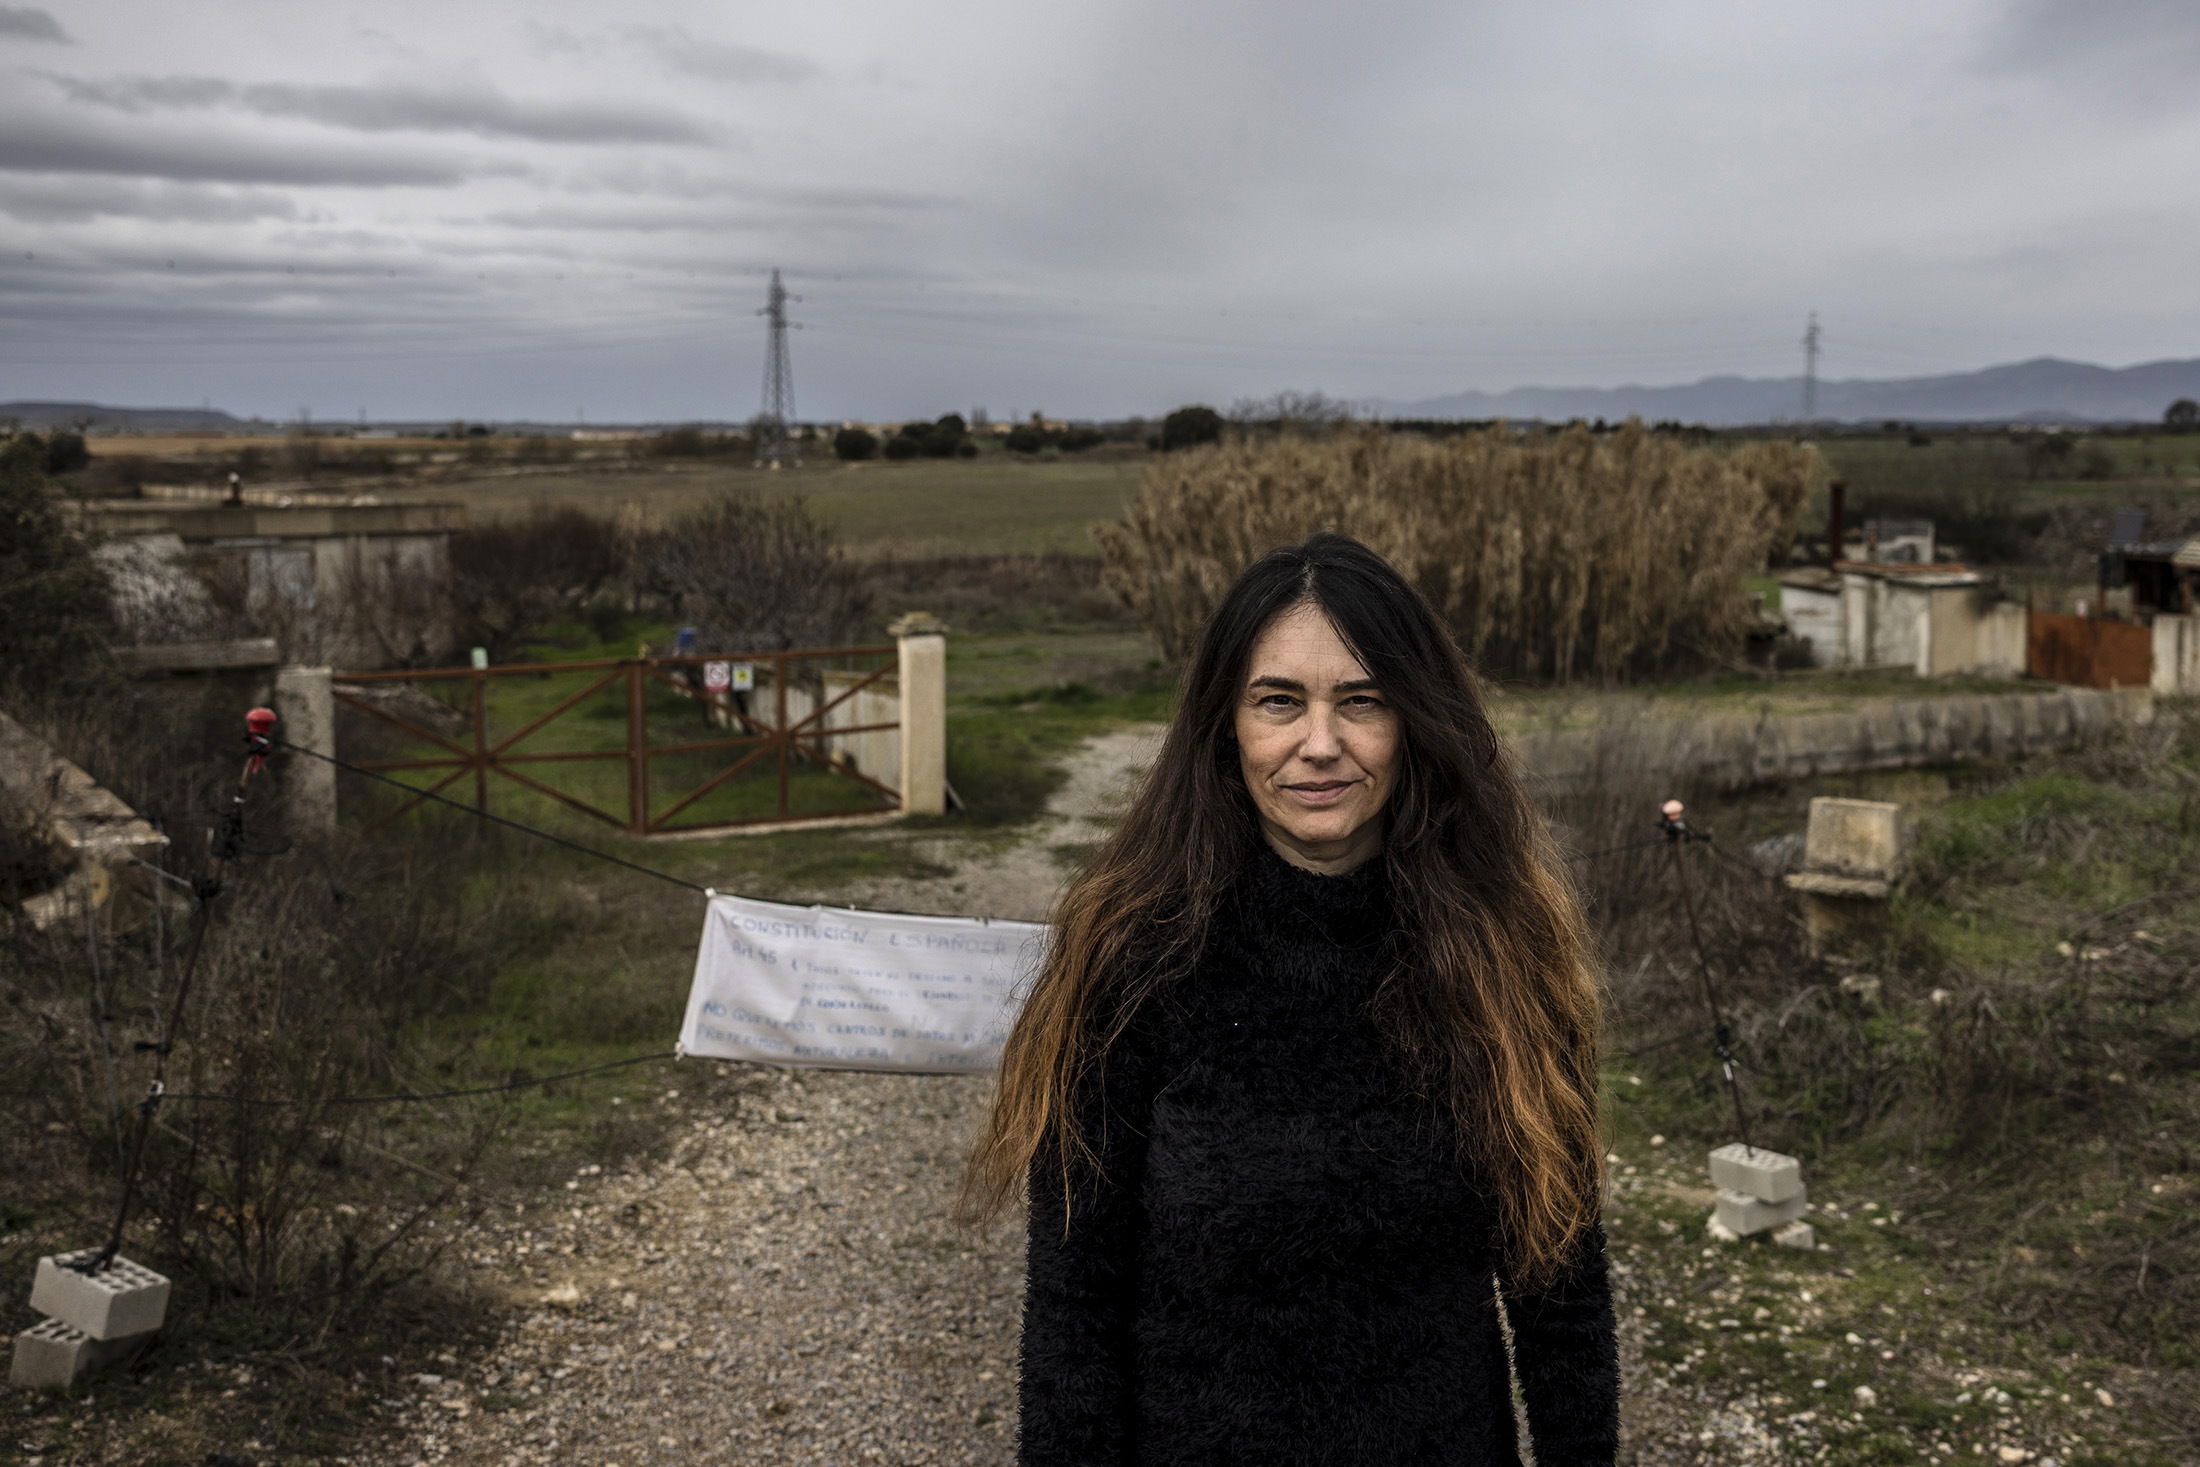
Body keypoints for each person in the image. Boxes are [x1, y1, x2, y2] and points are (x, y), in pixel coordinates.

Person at [961, 532, 1617, 1465]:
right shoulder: (1132, 958)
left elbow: (1562, 1296)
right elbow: (1075, 1307)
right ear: (1224, 724)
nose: (1319, 744)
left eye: (1362, 700)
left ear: (1415, 720)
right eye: (1279, 700)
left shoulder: (1504, 957)